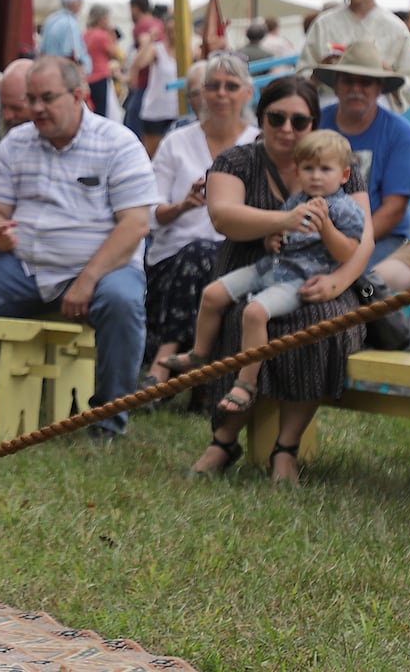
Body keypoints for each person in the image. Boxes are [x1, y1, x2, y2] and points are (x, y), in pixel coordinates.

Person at [0, 57, 158, 438]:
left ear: (78, 96)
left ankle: (108, 420)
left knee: (122, 303)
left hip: (103, 267)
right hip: (26, 266)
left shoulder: (118, 143)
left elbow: (136, 225)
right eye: (31, 99)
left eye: (47, 98)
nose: (36, 108)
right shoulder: (16, 143)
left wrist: (87, 280)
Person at [183, 76, 372, 483]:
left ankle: (286, 448)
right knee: (242, 316)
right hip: (254, 267)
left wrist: (337, 284)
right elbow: (223, 216)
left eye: (299, 121)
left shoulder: (340, 164)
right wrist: (285, 221)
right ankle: (223, 440)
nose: (287, 128)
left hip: (324, 277)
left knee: (320, 324)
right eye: (277, 117)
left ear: (313, 124)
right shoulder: (237, 160)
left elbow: (363, 241)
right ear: (262, 116)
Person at [167, 130, 364, 416]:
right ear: (298, 172)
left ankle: (246, 384)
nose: (316, 176)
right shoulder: (298, 200)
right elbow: (278, 233)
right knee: (212, 294)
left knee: (254, 313)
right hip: (270, 266)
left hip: (300, 278)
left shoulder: (346, 209)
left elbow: (347, 252)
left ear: (344, 175)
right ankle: (199, 354)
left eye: (325, 169)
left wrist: (327, 229)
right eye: (308, 169)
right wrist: (271, 239)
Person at [143, 54, 260, 389]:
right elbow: (150, 213)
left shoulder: (257, 144)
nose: (222, 94)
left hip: (236, 258)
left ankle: (162, 367)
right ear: (202, 94)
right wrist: (182, 206)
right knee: (196, 255)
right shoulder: (176, 143)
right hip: (171, 259)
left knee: (204, 255)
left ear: (247, 93)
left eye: (231, 86)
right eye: (213, 86)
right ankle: (196, 375)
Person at [314, 42, 410, 266]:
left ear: (379, 88)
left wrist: (349, 244)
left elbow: (394, 208)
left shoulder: (399, 132)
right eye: (348, 81)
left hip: (380, 238)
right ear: (336, 86)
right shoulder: (316, 122)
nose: (355, 89)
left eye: (365, 82)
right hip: (316, 236)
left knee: (353, 288)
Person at [296, 0, 410, 112]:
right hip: (331, 105)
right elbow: (301, 73)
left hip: (377, 106)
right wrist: (319, 72)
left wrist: (389, 76)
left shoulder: (394, 27)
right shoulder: (324, 24)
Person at [131, 16, 179, 158]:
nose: (172, 34)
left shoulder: (188, 49)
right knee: (153, 156)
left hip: (178, 111)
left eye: (176, 30)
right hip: (156, 111)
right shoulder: (157, 49)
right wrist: (149, 41)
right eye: (169, 30)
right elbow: (139, 64)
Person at [123, 0, 164, 139]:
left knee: (132, 122)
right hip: (158, 81)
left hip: (143, 81)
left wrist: (133, 74)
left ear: (135, 8)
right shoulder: (159, 23)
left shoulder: (141, 26)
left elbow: (143, 46)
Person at [38, 0, 92, 75]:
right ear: (74, 2)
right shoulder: (70, 23)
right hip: (63, 74)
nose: (81, 5)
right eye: (80, 1)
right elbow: (73, 53)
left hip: (48, 70)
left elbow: (42, 49)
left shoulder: (51, 19)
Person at [83, 4, 121, 117]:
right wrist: (112, 37)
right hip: (100, 76)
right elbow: (115, 54)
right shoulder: (102, 36)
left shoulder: (84, 34)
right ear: (101, 19)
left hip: (88, 76)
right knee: (102, 112)